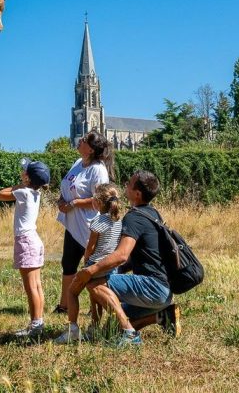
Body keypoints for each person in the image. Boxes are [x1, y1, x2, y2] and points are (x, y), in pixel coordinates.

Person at [70, 170, 180, 347]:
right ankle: (162, 316)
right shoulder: (152, 213)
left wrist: (90, 270)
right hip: (164, 291)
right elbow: (135, 257)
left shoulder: (134, 218)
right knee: (110, 331)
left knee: (93, 283)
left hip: (152, 288)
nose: (125, 186)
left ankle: (130, 335)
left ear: (137, 193)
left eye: (129, 184)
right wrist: (116, 273)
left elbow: (121, 256)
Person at [54, 131, 114, 314]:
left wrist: (73, 203)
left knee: (92, 267)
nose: (80, 140)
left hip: (90, 227)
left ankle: (97, 306)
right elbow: (67, 187)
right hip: (73, 225)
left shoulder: (98, 169)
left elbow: (100, 200)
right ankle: (64, 305)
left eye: (85, 140)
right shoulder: (77, 164)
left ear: (90, 149)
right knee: (68, 263)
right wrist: (61, 200)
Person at [55, 183, 122, 343]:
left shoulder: (97, 222)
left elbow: (90, 247)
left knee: (72, 292)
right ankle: (94, 328)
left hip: (94, 265)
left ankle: (72, 328)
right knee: (95, 298)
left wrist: (86, 261)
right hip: (109, 266)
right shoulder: (117, 220)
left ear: (97, 203)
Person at [0, 158, 51, 338]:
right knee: (37, 285)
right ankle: (38, 323)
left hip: (26, 241)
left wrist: (20, 184)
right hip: (34, 240)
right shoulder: (35, 193)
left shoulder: (25, 192)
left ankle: (35, 327)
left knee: (31, 287)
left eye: (25, 172)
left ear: (28, 179)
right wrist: (25, 182)